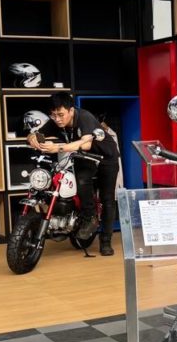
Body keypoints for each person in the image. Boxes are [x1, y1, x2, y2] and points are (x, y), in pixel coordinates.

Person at [29, 92, 120, 255]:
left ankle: (106, 241)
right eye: (53, 115)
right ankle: (89, 217)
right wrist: (32, 138)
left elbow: (85, 144)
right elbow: (36, 134)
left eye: (60, 114)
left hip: (106, 157)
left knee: (107, 199)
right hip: (84, 157)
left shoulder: (84, 117)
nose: (57, 119)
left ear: (71, 110)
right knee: (82, 180)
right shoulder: (56, 121)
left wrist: (57, 148)